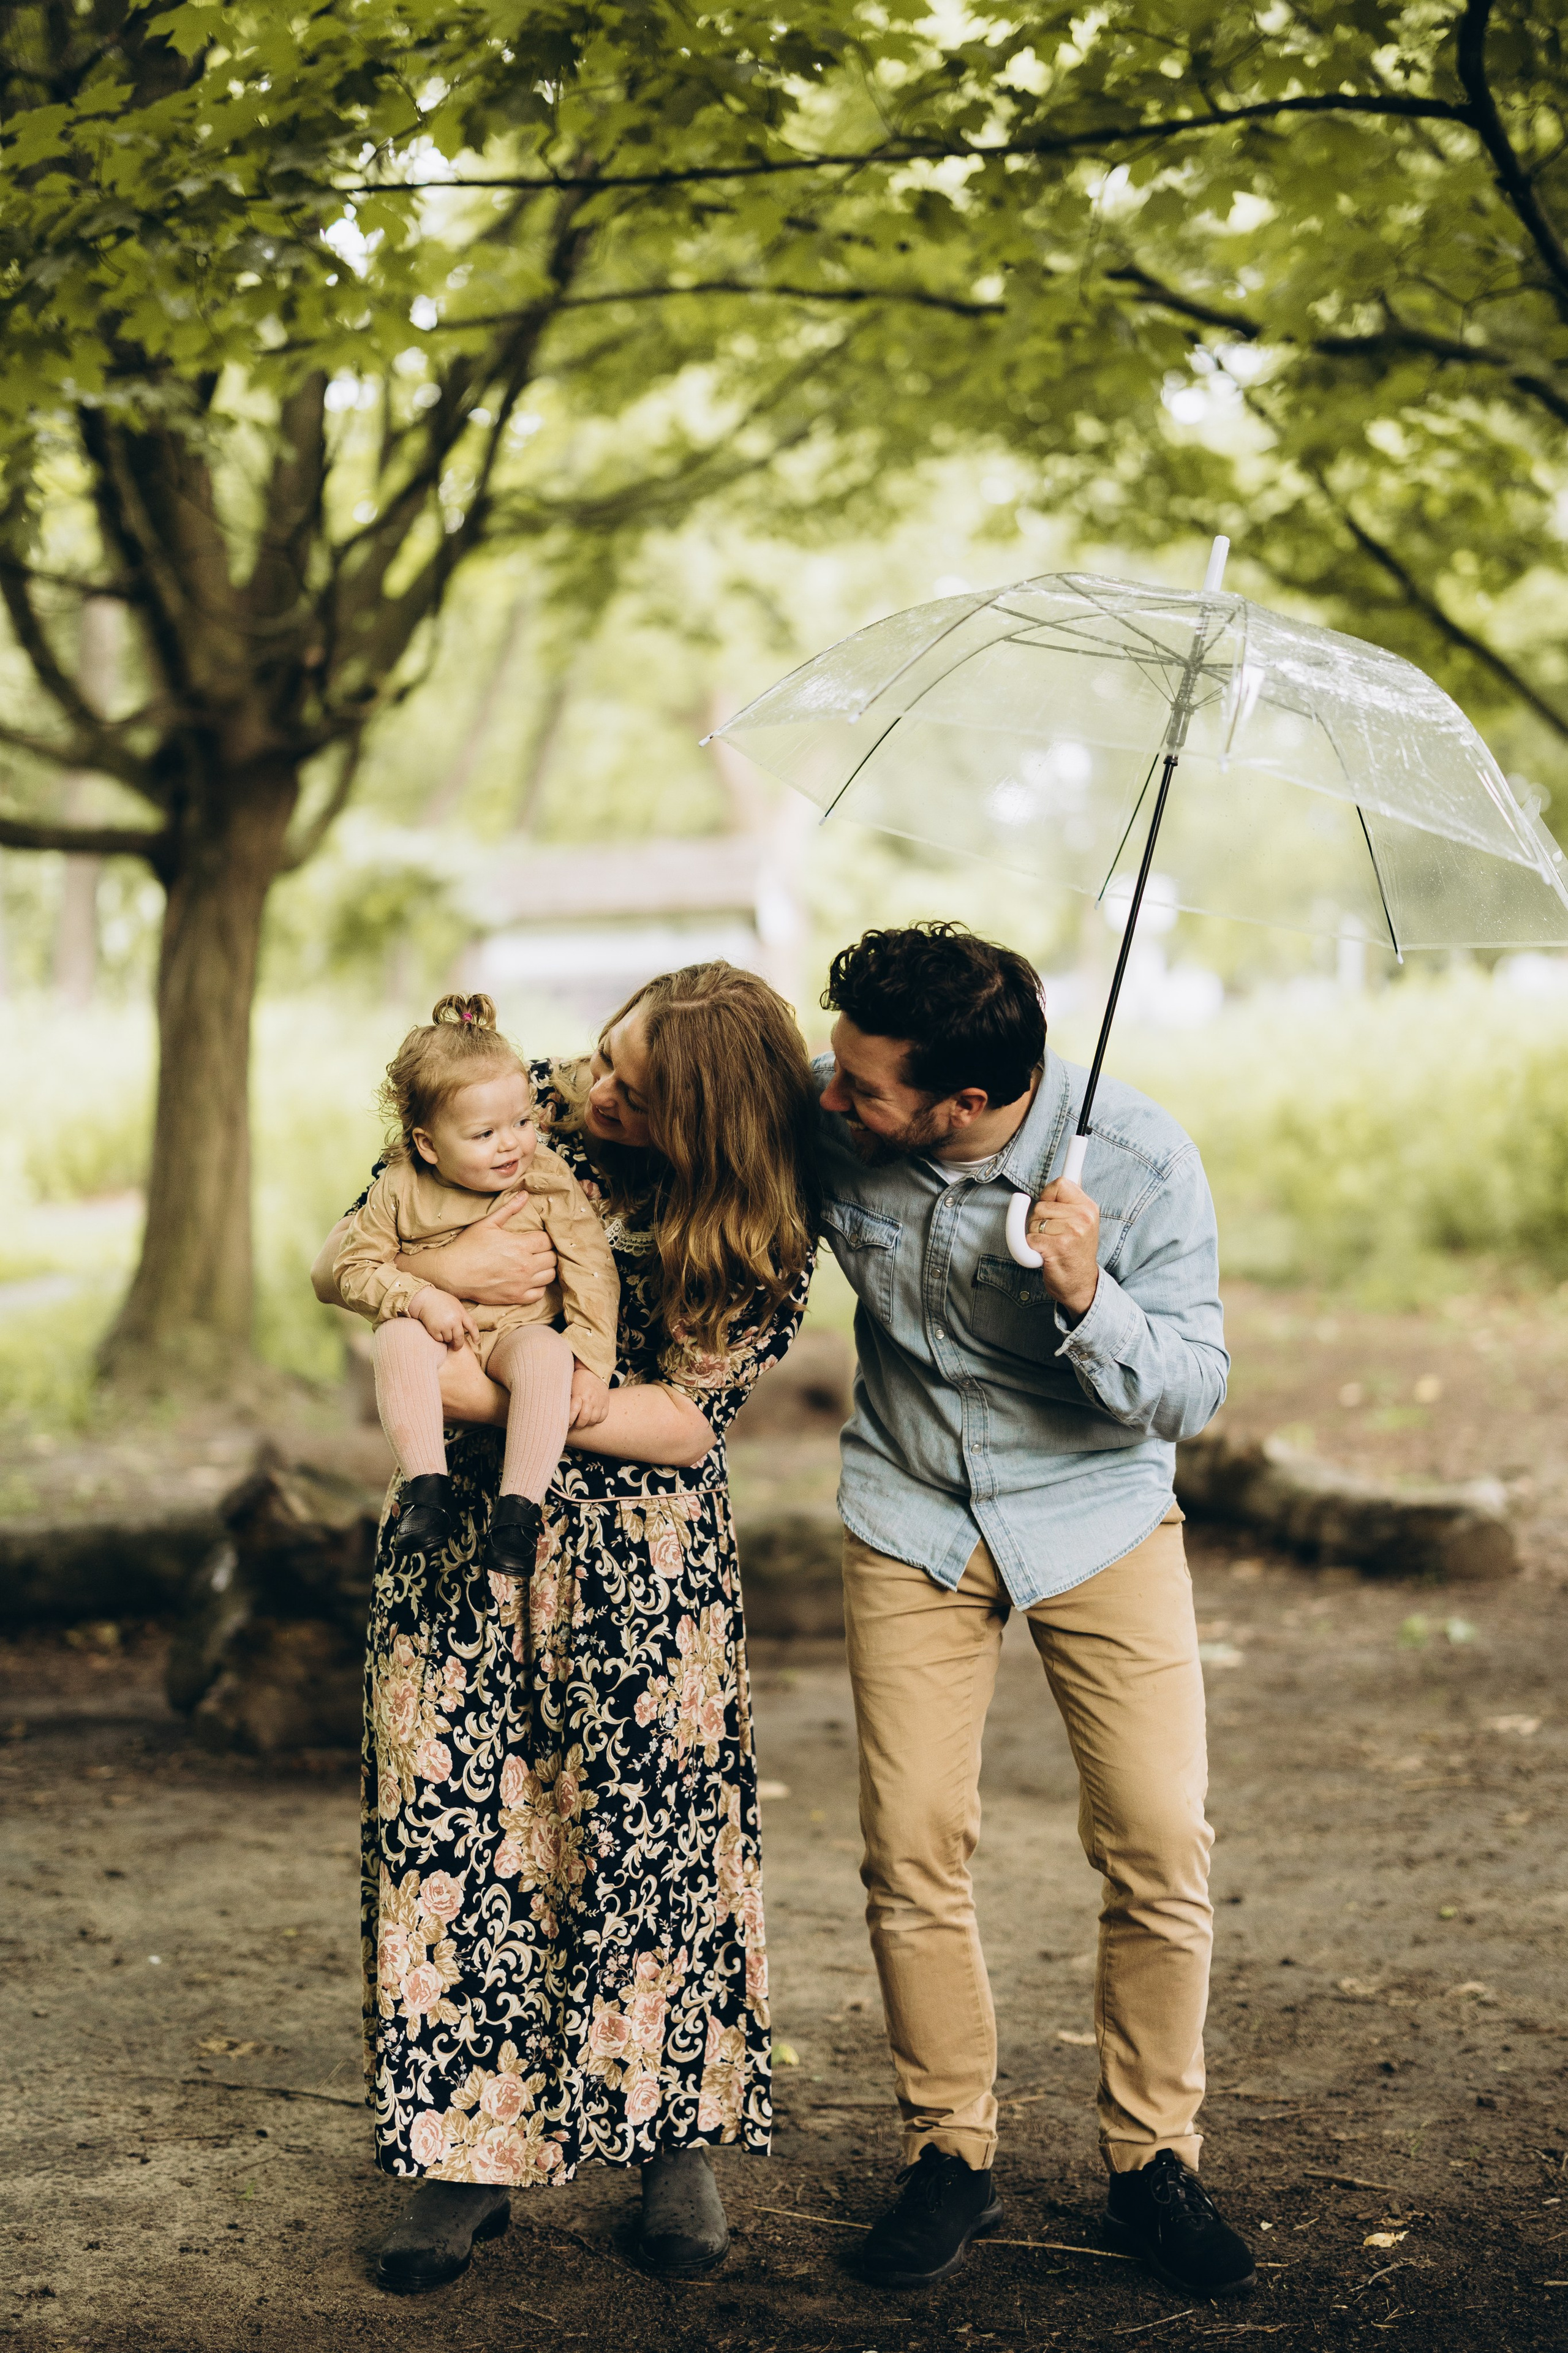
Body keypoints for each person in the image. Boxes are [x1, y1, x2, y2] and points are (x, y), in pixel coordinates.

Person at [311, 962, 818, 2294]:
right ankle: (462, 2159)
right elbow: (372, 1249)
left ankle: (668, 2141)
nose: (593, 1091)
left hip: (643, 1570)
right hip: (454, 1534)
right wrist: (447, 1277)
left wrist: (519, 1395)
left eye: (634, 1091)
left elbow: (683, 1419)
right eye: (601, 1056)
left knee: (645, 1842)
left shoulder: (757, 1216)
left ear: (703, 1125)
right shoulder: (512, 1107)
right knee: (453, 1826)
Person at [813, 922, 1253, 2302]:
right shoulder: (835, 1126)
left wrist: (1087, 1292)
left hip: (1095, 1512)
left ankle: (1151, 2164)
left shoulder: (1133, 1158)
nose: (830, 1101)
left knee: (1156, 1837)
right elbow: (666, 1091)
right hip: (911, 1510)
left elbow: (1191, 1392)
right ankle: (949, 2154)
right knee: (911, 1844)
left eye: (865, 1089)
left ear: (965, 1101)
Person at [334, 992, 617, 1577]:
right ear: (429, 1144)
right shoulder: (399, 1189)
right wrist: (419, 1295)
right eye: (485, 1133)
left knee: (548, 1356)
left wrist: (590, 1359)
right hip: (441, 1338)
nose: (511, 1143)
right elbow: (352, 1266)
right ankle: (427, 1491)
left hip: (517, 1329)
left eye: (521, 1122)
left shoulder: (545, 1178)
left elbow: (591, 1268)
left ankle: (518, 1513)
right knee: (396, 1341)